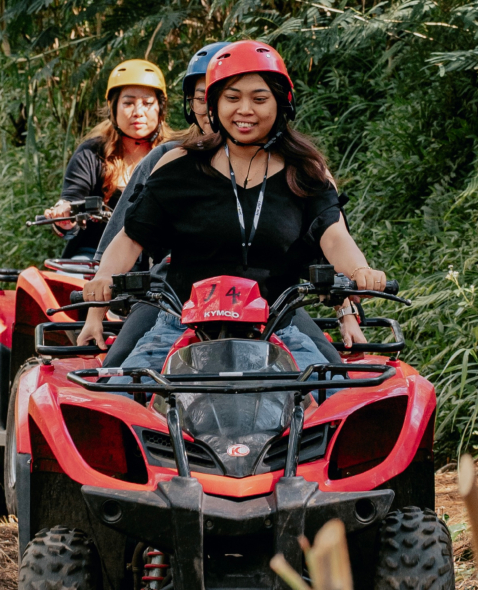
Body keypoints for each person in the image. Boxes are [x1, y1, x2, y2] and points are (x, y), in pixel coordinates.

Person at [83, 40, 385, 374]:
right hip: (181, 327)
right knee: (122, 399)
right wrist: (103, 283)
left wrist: (360, 271)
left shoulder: (305, 169)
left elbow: (334, 235)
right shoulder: (178, 164)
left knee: (335, 402)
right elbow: (130, 237)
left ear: (283, 103)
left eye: (259, 99)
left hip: (277, 328)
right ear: (213, 105)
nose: (245, 110)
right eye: (232, 98)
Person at [77, 41, 230, 354]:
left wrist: (345, 311)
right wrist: (96, 314)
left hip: (268, 302)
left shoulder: (288, 165)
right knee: (114, 380)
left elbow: (326, 236)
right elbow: (123, 238)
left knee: (340, 389)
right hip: (171, 297)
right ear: (191, 103)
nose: (212, 110)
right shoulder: (166, 159)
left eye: (223, 97)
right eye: (203, 98)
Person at [41, 59, 172, 258]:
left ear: (160, 109)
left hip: (158, 260)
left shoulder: (174, 154)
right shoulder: (92, 152)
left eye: (147, 103)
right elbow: (72, 196)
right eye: (128, 103)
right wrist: (64, 216)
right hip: (94, 256)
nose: (138, 112)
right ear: (113, 108)